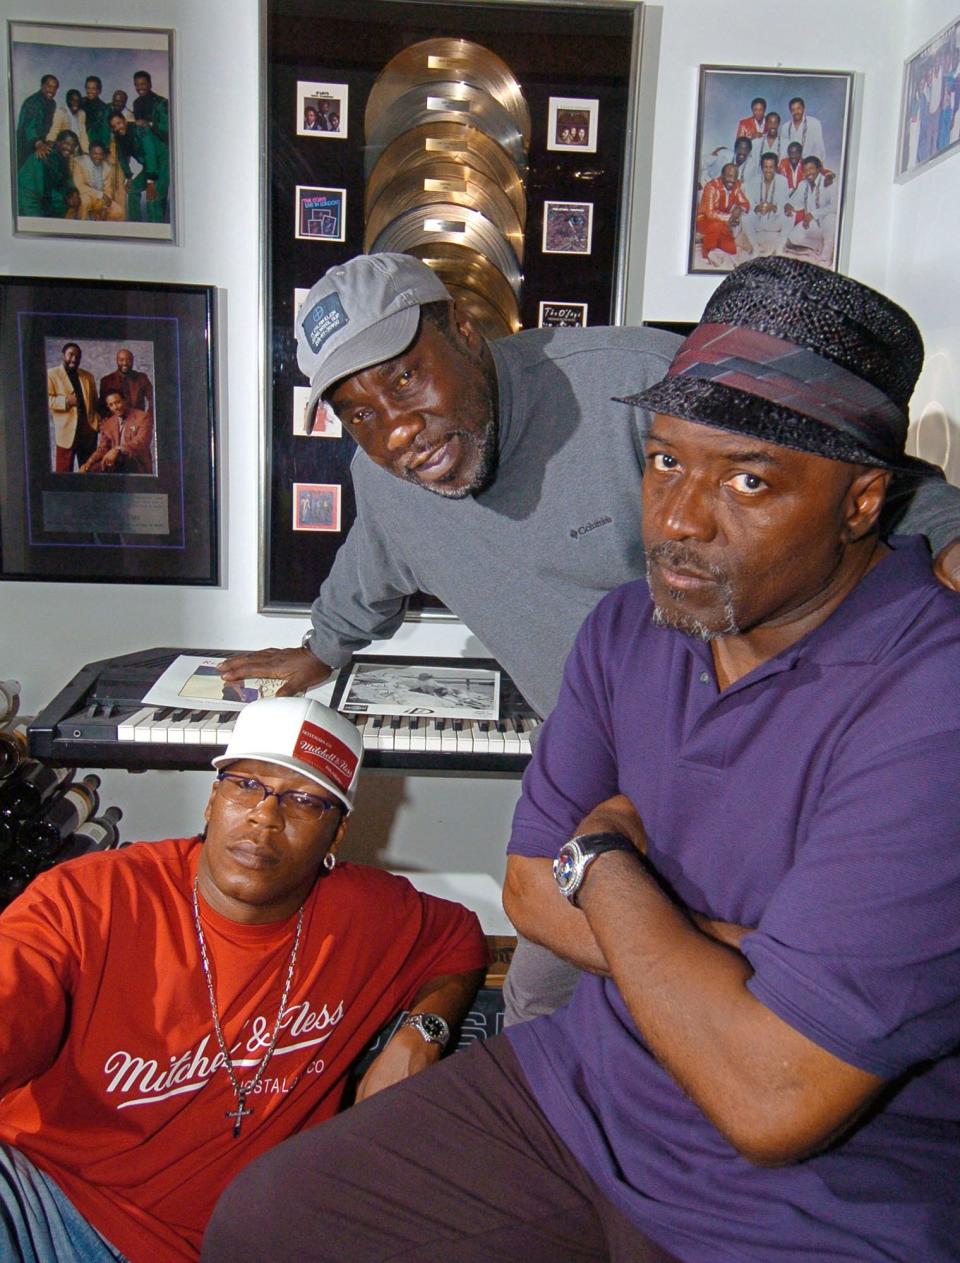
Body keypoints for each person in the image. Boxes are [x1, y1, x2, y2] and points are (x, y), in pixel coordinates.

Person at [203, 258, 960, 1263]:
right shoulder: (620, 624)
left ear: (466, 327)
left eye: (401, 380)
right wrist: (323, 647)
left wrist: (603, 865)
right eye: (354, 410)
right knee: (289, 1208)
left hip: (796, 1150)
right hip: (607, 809)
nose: (392, 431)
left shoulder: (629, 380)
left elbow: (772, 1085)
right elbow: (528, 889)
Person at [0, 696, 487, 1263]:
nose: (265, 816)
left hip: (239, 1237)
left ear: (337, 835)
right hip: (47, 1207)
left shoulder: (368, 913)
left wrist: (420, 1037)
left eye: (304, 800)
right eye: (246, 786)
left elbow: (462, 943)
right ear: (212, 800)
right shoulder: (89, 898)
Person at [109, 109, 169, 223]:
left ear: (124, 121)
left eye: (119, 123)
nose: (117, 127)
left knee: (152, 198)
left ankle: (155, 232)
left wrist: (150, 182)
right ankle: (135, 224)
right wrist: (129, 176)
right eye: (114, 126)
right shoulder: (119, 138)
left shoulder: (141, 129)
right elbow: (122, 157)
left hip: (162, 162)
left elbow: (150, 153)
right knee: (132, 190)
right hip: (149, 166)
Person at [47, 341, 99, 473]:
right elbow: (44, 400)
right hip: (66, 433)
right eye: (71, 355)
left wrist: (97, 423)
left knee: (89, 472)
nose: (74, 359)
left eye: (77, 356)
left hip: (88, 432)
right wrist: (66, 401)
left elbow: (95, 403)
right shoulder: (51, 374)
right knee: (63, 475)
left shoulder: (88, 376)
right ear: (63, 355)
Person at [80, 388, 154, 474]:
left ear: (125, 400)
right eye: (111, 405)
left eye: (118, 402)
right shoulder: (109, 423)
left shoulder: (142, 417)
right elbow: (103, 448)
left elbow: (141, 442)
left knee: (116, 460)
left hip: (137, 464)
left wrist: (117, 449)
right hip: (115, 464)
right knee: (90, 471)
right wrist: (89, 463)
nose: (115, 407)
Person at [784, 155, 838, 266]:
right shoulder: (803, 184)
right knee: (791, 242)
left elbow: (835, 206)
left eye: (811, 169)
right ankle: (816, 247)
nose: (809, 173)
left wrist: (813, 214)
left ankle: (825, 258)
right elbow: (796, 203)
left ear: (818, 169)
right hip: (812, 224)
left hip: (826, 224)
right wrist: (789, 206)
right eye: (806, 170)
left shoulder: (827, 182)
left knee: (831, 218)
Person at [694, 162, 750, 267]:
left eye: (735, 177)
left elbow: (745, 203)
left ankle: (716, 252)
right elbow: (710, 213)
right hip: (704, 221)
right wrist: (730, 217)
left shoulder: (736, 185)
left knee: (731, 250)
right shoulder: (711, 186)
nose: (732, 180)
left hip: (725, 223)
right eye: (729, 176)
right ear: (722, 175)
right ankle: (707, 253)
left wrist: (739, 209)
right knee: (717, 226)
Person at [17, 128, 80, 219]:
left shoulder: (61, 157)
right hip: (28, 200)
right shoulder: (45, 156)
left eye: (73, 146)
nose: (69, 148)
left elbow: (65, 179)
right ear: (58, 142)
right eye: (66, 144)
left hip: (42, 198)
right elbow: (40, 191)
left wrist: (73, 192)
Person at [741, 150, 791, 256]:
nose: (768, 170)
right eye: (765, 167)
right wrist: (756, 208)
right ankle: (755, 248)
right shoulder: (753, 181)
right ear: (761, 168)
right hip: (758, 221)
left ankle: (779, 249)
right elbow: (749, 203)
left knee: (791, 215)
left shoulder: (783, 181)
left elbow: (784, 204)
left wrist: (773, 207)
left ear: (776, 168)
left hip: (774, 220)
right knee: (744, 216)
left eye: (771, 167)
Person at [72, 141, 125, 222]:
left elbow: (108, 190)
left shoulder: (107, 168)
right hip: (84, 196)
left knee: (118, 212)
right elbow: (80, 186)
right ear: (89, 153)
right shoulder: (80, 163)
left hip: (99, 200)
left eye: (101, 154)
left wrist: (105, 207)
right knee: (85, 201)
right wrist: (99, 194)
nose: (98, 157)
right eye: (95, 154)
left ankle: (100, 228)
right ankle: (81, 228)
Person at [15, 73, 59, 167]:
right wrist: (38, 144)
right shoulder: (32, 102)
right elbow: (28, 128)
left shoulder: (52, 103)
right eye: (49, 86)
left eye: (55, 88)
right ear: (42, 85)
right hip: (25, 144)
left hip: (40, 143)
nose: (52, 90)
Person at [99, 347, 154, 416]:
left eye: (128, 360)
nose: (125, 363)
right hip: (116, 421)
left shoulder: (142, 378)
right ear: (117, 361)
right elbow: (102, 406)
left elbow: (153, 398)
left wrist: (150, 416)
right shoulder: (106, 381)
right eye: (121, 360)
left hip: (138, 420)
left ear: (133, 361)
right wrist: (109, 421)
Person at [783, 95, 825, 162]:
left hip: (810, 164)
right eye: (793, 110)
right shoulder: (785, 127)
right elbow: (784, 150)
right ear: (790, 111)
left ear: (804, 108)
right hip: (792, 164)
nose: (796, 112)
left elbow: (819, 148)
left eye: (798, 108)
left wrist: (816, 165)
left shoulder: (814, 123)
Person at [132, 70, 170, 144]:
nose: (139, 88)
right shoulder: (136, 103)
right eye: (136, 85)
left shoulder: (162, 102)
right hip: (146, 146)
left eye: (143, 84)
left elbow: (167, 128)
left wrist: (149, 124)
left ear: (150, 84)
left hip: (161, 145)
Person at [47, 89, 89, 155]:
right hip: (64, 148)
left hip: (76, 148)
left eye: (78, 101)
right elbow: (54, 131)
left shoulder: (82, 114)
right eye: (73, 100)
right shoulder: (61, 112)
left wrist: (86, 151)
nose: (76, 103)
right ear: (67, 100)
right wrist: (49, 145)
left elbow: (83, 134)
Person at [82, 75, 112, 151]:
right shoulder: (81, 102)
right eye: (88, 88)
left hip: (95, 146)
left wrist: (104, 149)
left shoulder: (105, 109)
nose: (90, 91)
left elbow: (105, 132)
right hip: (80, 143)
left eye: (93, 89)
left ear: (99, 90)